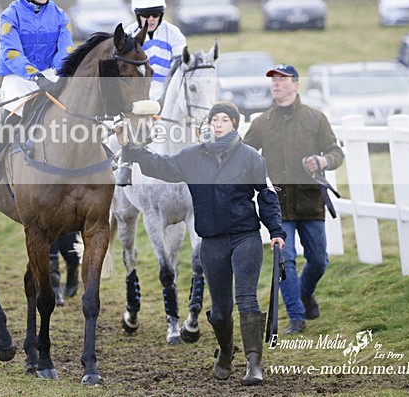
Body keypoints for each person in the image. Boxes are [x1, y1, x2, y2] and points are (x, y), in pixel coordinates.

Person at [116, 101, 285, 385]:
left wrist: (276, 230)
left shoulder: (250, 158)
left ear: (234, 124)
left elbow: (266, 196)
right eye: (214, 119)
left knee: (246, 298)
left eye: (224, 119)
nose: (218, 123)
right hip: (212, 240)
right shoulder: (193, 157)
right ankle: (226, 355)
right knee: (220, 309)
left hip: (245, 236)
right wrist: (131, 150)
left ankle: (254, 364)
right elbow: (161, 166)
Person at [243, 64, 344, 335]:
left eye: (282, 79)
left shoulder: (316, 118)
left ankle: (305, 294)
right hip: (277, 206)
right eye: (273, 80)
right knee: (285, 261)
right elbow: (244, 155)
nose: (276, 84)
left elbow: (336, 151)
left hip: (311, 201)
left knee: (318, 260)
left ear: (296, 84)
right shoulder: (261, 122)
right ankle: (296, 318)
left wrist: (324, 160)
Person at [0, 0, 74, 182]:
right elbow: (11, 53)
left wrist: (59, 73)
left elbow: (66, 50)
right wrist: (34, 75)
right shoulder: (10, 15)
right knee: (15, 105)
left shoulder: (60, 15)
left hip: (50, 73)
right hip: (18, 76)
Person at [115, 0, 188, 185]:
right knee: (124, 123)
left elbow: (179, 68)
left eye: (156, 14)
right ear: (137, 15)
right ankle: (125, 164)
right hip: (137, 97)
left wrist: (165, 97)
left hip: (167, 95)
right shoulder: (128, 35)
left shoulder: (174, 34)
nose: (152, 19)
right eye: (146, 14)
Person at [49, 231, 80, 306]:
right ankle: (55, 290)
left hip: (70, 225)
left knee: (73, 257)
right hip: (49, 226)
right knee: (51, 258)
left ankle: (72, 283)